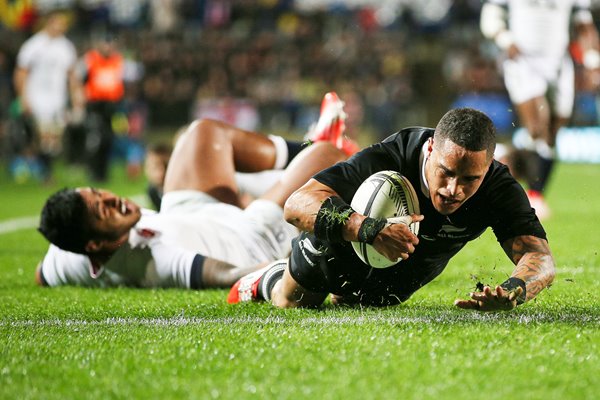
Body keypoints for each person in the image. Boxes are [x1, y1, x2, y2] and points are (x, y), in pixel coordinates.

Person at [228, 108, 556, 312]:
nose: (453, 189)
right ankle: (266, 278)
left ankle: (346, 293)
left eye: (470, 179)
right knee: (293, 303)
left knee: (355, 307)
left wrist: (514, 290)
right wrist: (366, 229)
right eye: (445, 172)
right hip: (338, 251)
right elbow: (297, 204)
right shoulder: (393, 155)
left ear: (488, 168)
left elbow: (540, 258)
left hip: (397, 283)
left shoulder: (498, 187)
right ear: (430, 150)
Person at [35, 93, 353, 289]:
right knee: (328, 156)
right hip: (250, 237)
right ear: (95, 242)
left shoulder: (71, 256)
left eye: (97, 192)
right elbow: (222, 274)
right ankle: (320, 149)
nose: (110, 198)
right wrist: (280, 270)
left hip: (189, 211)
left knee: (202, 132)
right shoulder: (150, 262)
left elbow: (42, 275)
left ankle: (305, 146)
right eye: (100, 209)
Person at [480, 0, 600, 219]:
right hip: (523, 59)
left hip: (559, 63)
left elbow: (583, 23)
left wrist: (593, 60)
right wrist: (505, 39)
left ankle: (505, 158)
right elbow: (490, 14)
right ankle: (534, 196)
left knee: (552, 136)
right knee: (538, 126)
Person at [13, 9, 84, 181]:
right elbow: (21, 72)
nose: (62, 26)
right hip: (37, 97)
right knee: (44, 136)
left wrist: (77, 96)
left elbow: (72, 75)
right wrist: (23, 97)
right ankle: (45, 173)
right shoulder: (33, 45)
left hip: (57, 98)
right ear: (49, 22)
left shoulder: (65, 46)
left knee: (55, 139)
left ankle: (45, 169)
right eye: (59, 22)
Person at [80, 34, 126, 182]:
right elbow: (80, 80)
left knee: (108, 140)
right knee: (95, 139)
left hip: (111, 106)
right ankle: (93, 171)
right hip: (95, 105)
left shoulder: (117, 61)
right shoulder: (90, 60)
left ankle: (104, 173)